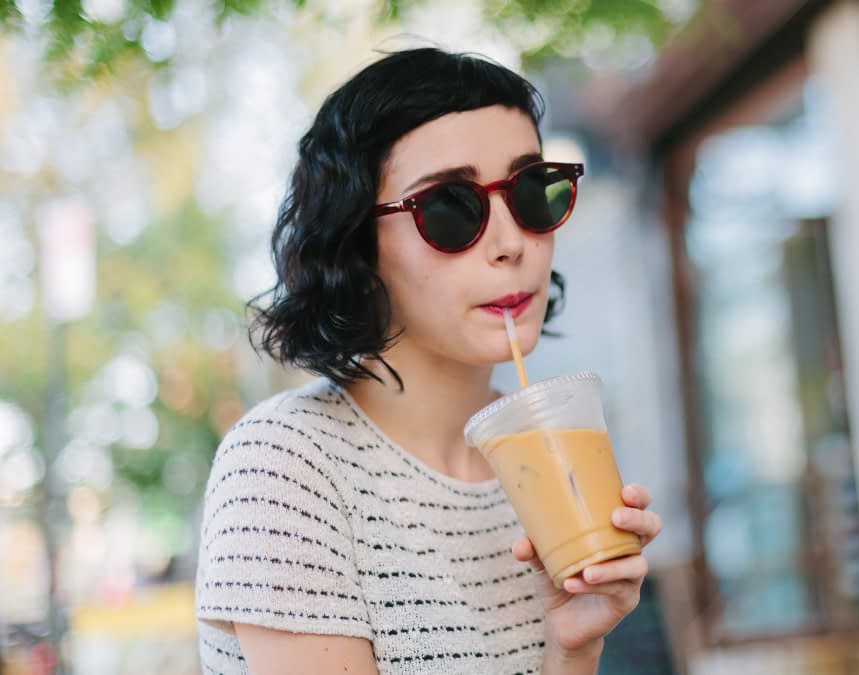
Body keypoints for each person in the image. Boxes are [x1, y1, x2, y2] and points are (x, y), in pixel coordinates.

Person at [194, 47, 662, 674]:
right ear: (357, 243)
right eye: (450, 207)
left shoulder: (548, 463)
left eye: (531, 192)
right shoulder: (285, 466)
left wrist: (574, 648)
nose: (511, 243)